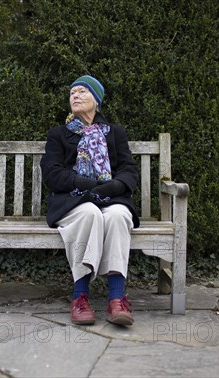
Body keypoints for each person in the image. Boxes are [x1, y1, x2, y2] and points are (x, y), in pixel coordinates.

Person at [40, 75, 140, 326]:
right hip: (72, 201)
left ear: (96, 100)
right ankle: (80, 296)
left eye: (82, 91)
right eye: (72, 92)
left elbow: (128, 168)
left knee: (118, 215)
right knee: (90, 214)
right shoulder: (58, 135)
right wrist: (83, 183)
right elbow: (51, 173)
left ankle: (117, 299)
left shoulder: (114, 133)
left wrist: (116, 185)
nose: (74, 95)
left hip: (109, 197)